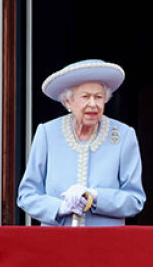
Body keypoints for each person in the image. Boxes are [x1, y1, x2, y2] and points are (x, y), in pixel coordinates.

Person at [17, 59, 145, 226]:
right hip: (56, 243)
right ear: (68, 102)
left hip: (105, 243)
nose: (93, 104)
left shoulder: (123, 136)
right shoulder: (47, 133)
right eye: (85, 97)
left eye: (98, 97)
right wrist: (60, 208)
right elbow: (27, 196)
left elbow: (135, 200)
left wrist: (95, 196)